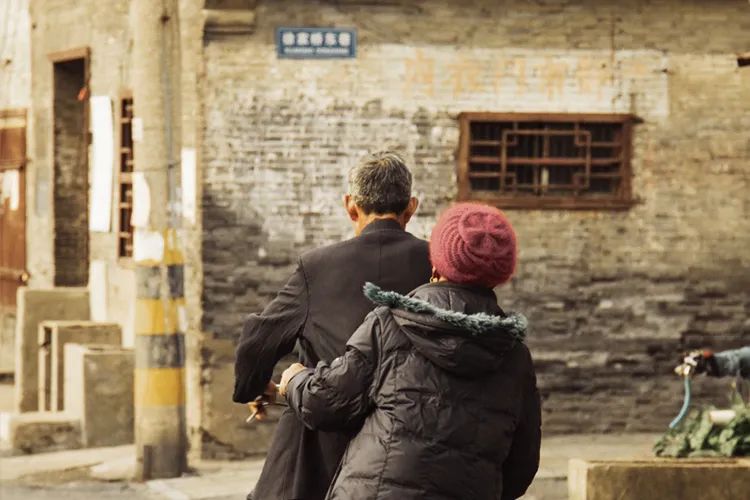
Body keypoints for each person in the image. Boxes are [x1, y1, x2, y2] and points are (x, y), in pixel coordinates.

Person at [279, 203, 541, 500]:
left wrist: (295, 380)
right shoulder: (514, 356)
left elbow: (328, 401)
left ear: (437, 264)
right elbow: (521, 466)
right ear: (497, 276)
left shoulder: (390, 323)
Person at [233, 151, 432, 500]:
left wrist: (256, 387)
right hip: (411, 452)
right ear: (411, 207)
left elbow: (257, 341)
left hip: (320, 455)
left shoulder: (317, 268)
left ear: (350, 206)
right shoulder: (437, 267)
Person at [681, 347, 750, 379]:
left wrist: (695, 358)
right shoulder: (708, 371)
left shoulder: (706, 358)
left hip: (740, 358)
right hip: (740, 369)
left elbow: (708, 354)